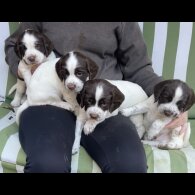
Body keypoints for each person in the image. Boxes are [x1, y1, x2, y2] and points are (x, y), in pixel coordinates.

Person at [4, 22, 188, 173]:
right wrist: (26, 70)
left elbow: (139, 69)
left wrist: (173, 102)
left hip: (103, 103)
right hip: (51, 100)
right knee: (47, 164)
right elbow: (14, 45)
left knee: (130, 164)